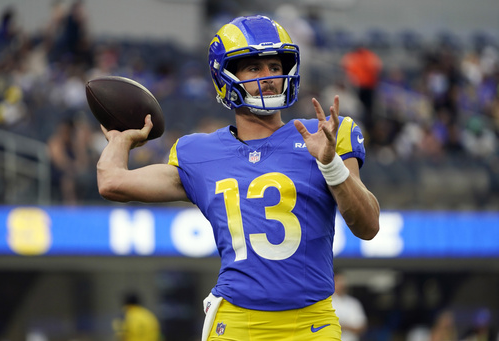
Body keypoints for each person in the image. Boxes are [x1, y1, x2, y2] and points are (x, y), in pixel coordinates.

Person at [97, 15, 380, 341]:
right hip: (236, 322)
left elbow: (368, 225)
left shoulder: (327, 132)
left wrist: (331, 164)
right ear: (225, 77)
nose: (269, 77)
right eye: (254, 68)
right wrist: (121, 140)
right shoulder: (198, 152)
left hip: (311, 322)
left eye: (275, 67)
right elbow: (112, 182)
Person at [331, 272, 368, 341]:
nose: (341, 285)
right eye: (338, 281)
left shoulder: (354, 303)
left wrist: (341, 326)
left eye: (343, 281)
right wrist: (349, 327)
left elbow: (362, 327)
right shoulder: (327, 302)